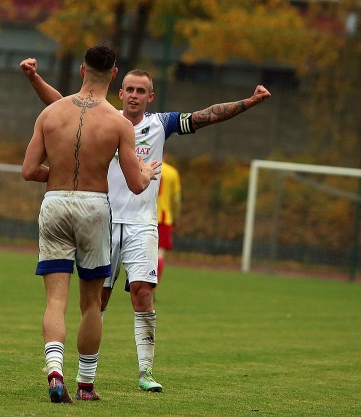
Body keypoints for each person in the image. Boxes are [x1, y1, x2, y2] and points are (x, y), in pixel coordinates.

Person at [20, 58, 271, 392]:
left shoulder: (161, 124)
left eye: (141, 91)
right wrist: (35, 78)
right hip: (103, 218)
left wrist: (249, 102)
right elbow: (58, 102)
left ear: (150, 97)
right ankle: (85, 376)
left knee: (142, 293)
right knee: (97, 298)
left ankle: (145, 371)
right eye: (130, 89)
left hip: (141, 223)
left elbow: (206, 115)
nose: (135, 95)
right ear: (120, 91)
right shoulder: (105, 118)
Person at [22, 45, 160, 403]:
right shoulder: (118, 122)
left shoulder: (51, 113)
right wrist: (146, 172)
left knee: (55, 299)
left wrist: (59, 174)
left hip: (54, 203)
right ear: (114, 75)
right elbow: (135, 184)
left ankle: (55, 371)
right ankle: (85, 384)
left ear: (82, 71)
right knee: (91, 303)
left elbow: (29, 170)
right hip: (94, 207)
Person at [155, 157, 181, 289]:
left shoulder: (144, 167)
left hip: (144, 215)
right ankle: (152, 287)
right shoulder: (172, 172)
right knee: (159, 253)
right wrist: (176, 217)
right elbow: (176, 200)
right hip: (164, 218)